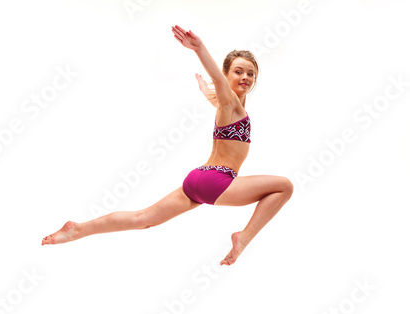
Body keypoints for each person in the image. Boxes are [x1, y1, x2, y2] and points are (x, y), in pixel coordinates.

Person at [41, 25, 294, 266]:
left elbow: (215, 93)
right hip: (217, 181)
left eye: (251, 73)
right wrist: (199, 49)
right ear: (227, 75)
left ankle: (77, 229)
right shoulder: (229, 103)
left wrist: (203, 88)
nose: (246, 77)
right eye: (238, 71)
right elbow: (217, 79)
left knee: (144, 219)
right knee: (284, 186)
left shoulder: (226, 105)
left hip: (198, 179)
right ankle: (244, 237)